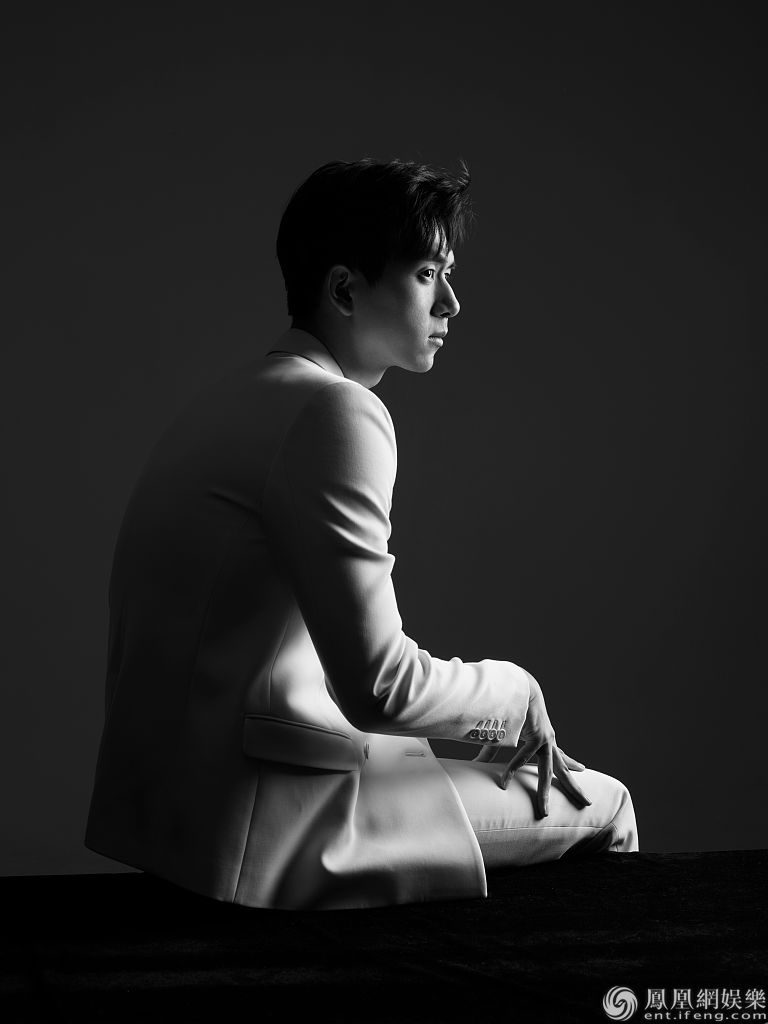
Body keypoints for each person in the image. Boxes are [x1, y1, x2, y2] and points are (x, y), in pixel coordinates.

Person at [84, 158, 637, 910]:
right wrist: (516, 693)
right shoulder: (335, 411)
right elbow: (380, 686)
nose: (452, 302)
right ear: (344, 289)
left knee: (471, 768)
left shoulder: (223, 401)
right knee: (607, 805)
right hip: (270, 818)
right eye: (427, 275)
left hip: (172, 816)